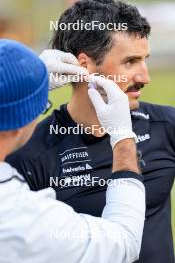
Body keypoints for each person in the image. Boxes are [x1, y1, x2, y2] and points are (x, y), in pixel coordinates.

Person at [7, 0, 175, 263]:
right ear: (84, 64)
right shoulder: (31, 153)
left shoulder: (165, 125)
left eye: (145, 60)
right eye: (130, 62)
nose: (145, 77)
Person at [0, 39, 145, 263]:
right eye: (130, 61)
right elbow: (124, 242)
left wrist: (30, 83)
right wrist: (123, 137)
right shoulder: (23, 218)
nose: (145, 78)